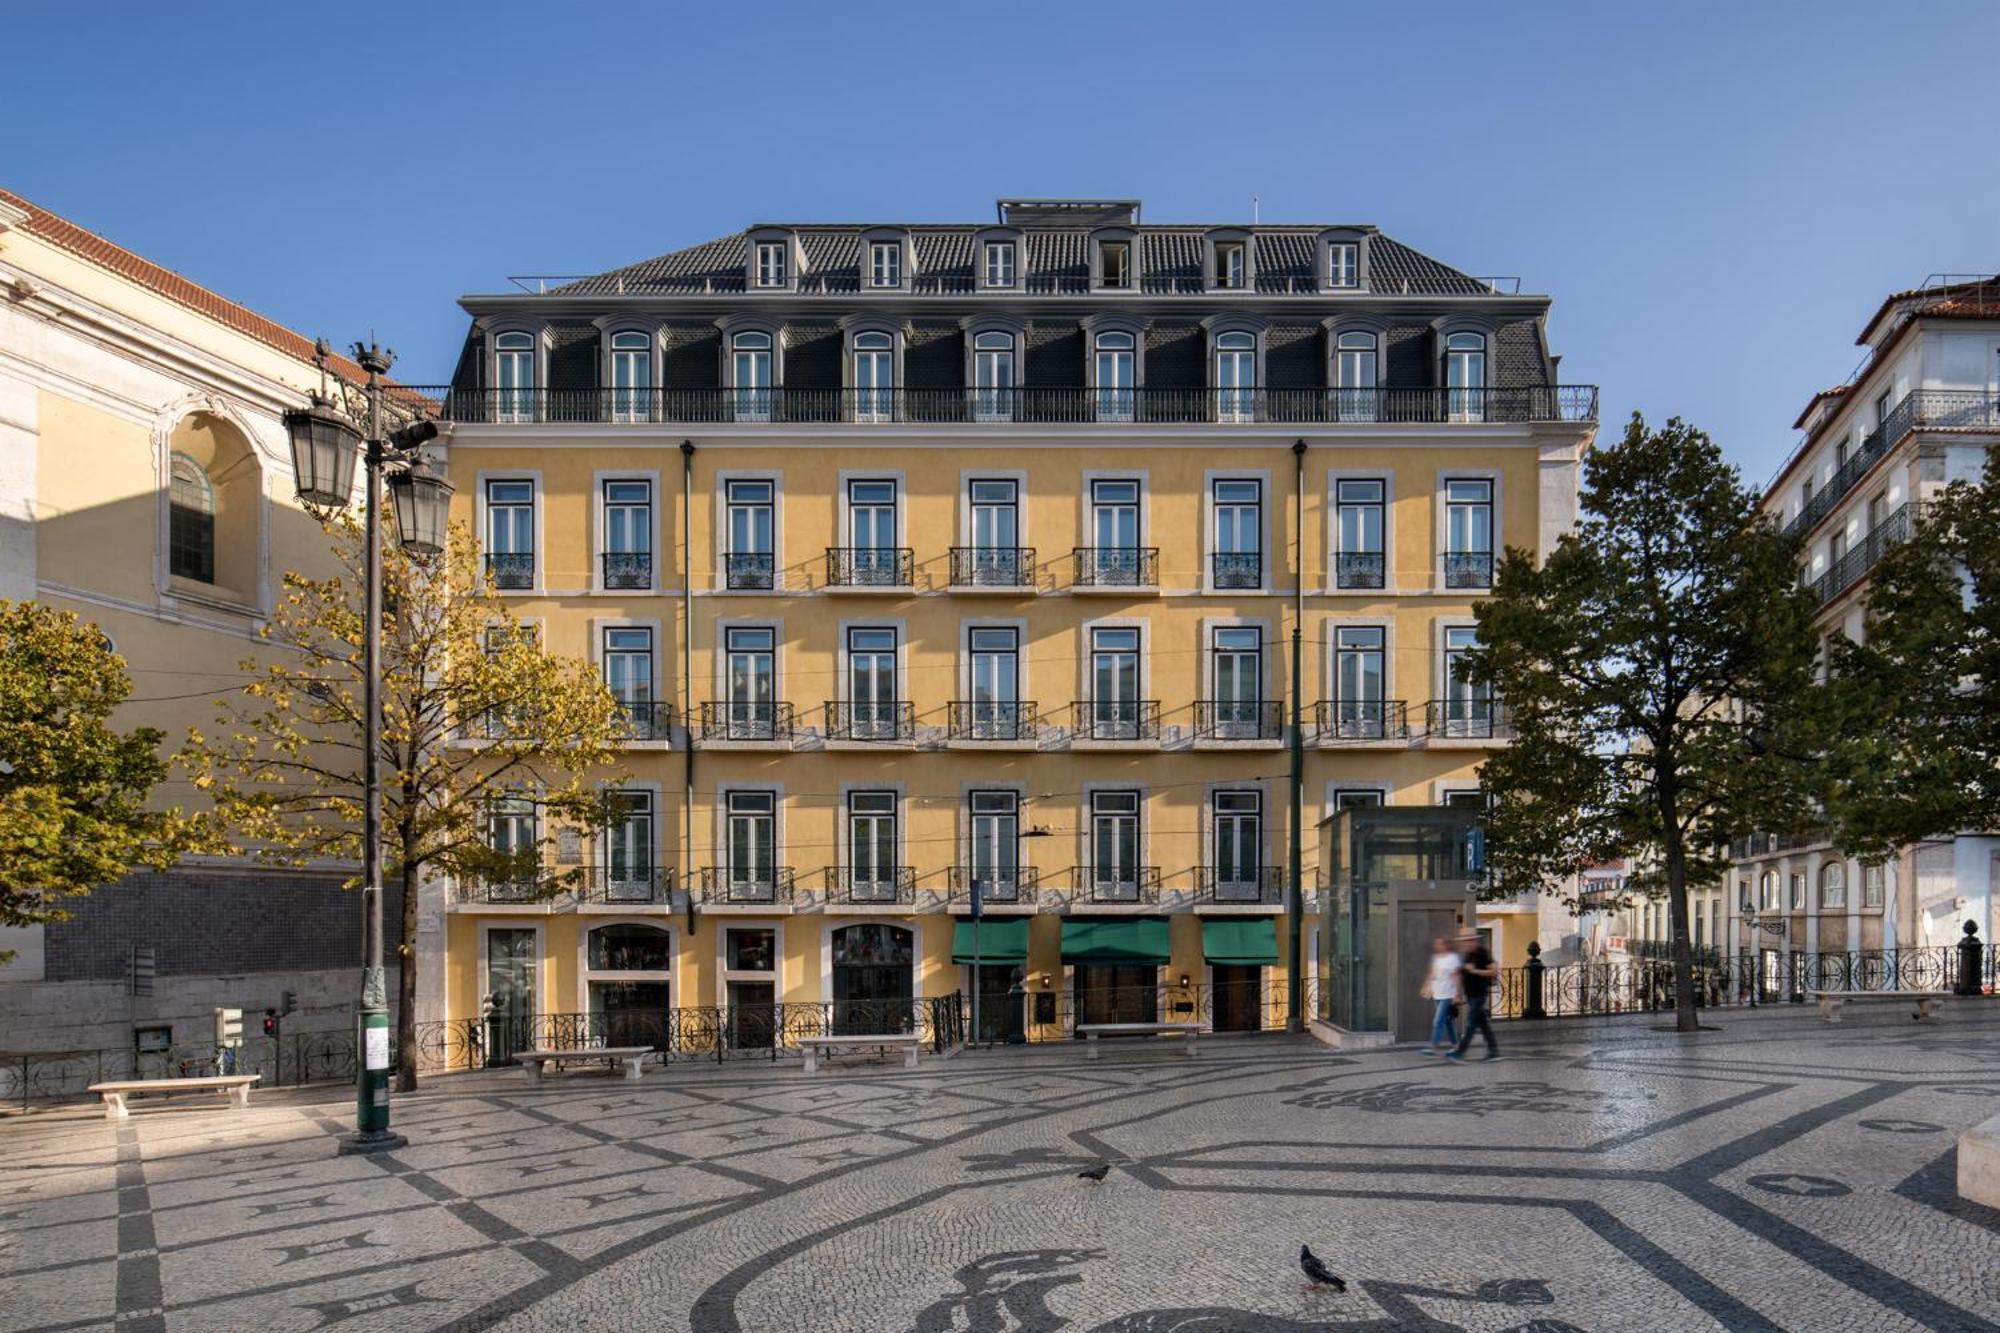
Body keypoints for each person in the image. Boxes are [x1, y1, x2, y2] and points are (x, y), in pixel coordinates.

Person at [1447, 929, 1499, 1061]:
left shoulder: (1483, 953)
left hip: (1480, 994)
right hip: (1470, 995)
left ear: (1473, 940)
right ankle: (1494, 1051)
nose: (1464, 943)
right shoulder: (1466, 955)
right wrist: (1457, 995)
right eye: (1463, 941)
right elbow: (1461, 976)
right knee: (1483, 1024)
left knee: (1470, 1024)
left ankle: (1460, 1052)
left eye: (1466, 941)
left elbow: (1493, 971)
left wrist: (1475, 970)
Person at [1419, 936, 1461, 1054]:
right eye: (1436, 944)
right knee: (1447, 1020)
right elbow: (1432, 974)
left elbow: (1456, 976)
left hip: (1448, 994)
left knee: (1438, 1021)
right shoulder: (1436, 958)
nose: (1437, 946)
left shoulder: (1453, 958)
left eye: (1440, 944)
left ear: (1446, 945)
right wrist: (1426, 986)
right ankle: (1456, 1045)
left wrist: (1457, 994)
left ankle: (1433, 1048)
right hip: (1437, 993)